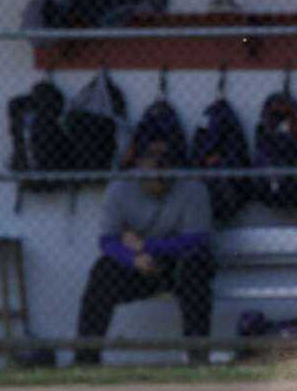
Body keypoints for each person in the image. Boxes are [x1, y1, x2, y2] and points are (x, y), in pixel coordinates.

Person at [75, 138, 214, 366]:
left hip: (179, 264)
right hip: (140, 265)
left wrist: (148, 246)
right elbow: (108, 240)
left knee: (195, 270)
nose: (159, 172)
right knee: (102, 271)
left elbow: (196, 241)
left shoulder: (192, 188)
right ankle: (85, 360)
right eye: (152, 162)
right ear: (139, 164)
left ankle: (198, 359)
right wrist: (133, 259)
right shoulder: (120, 188)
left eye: (165, 164)